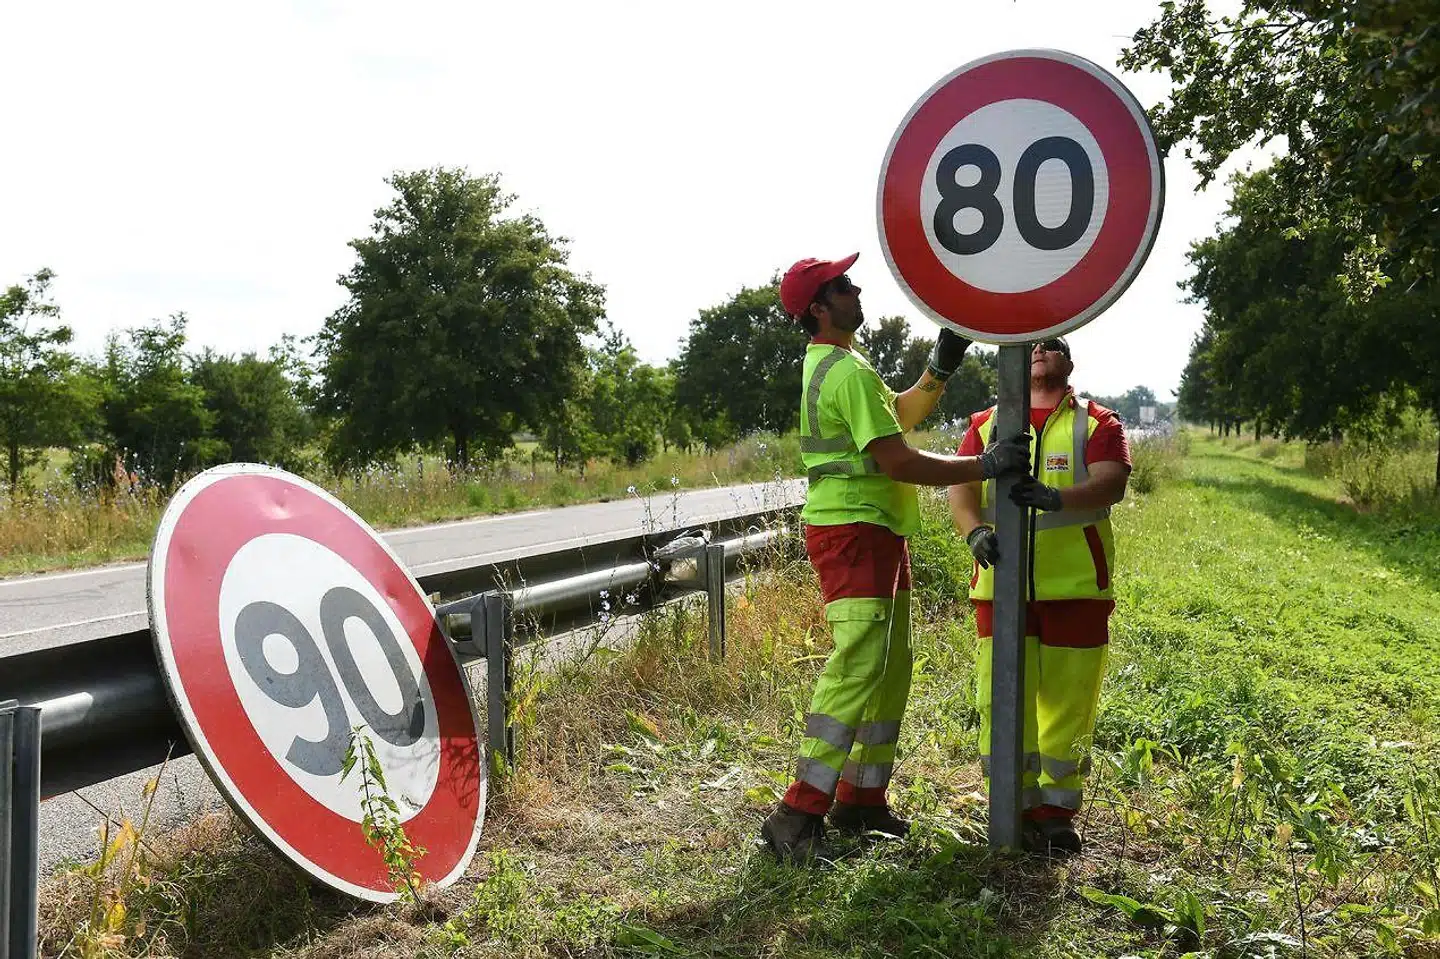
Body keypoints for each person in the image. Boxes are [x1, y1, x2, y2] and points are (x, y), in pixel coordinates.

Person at [760, 252, 1033, 865]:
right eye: (842, 285)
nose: (856, 288)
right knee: (859, 663)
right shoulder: (845, 372)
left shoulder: (844, 365)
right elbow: (899, 460)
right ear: (819, 308)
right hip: (853, 530)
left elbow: (899, 416)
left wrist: (939, 367)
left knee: (891, 666)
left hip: (877, 529)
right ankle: (797, 813)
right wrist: (984, 464)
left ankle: (862, 799)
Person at [947, 335, 1131, 856]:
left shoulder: (1098, 422)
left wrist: (1053, 497)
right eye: (1032, 347)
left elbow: (1111, 483)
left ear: (1070, 363)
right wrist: (974, 533)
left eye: (1053, 345)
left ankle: (1055, 815)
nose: (1040, 350)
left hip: (1076, 592)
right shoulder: (984, 425)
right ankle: (1012, 805)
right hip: (999, 592)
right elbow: (960, 489)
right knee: (1001, 699)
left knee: (1069, 706)